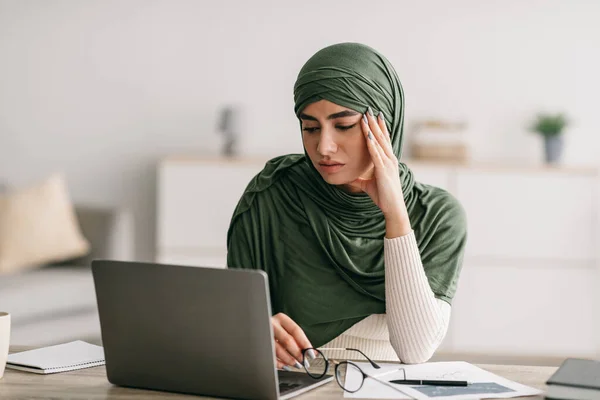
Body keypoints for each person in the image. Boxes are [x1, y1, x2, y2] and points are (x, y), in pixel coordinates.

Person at [226, 43, 467, 370]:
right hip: (298, 383)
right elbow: (236, 324)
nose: (323, 147)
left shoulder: (438, 214)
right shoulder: (272, 195)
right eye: (310, 127)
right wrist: (255, 332)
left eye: (343, 125)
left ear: (386, 123)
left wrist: (395, 213)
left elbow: (415, 350)